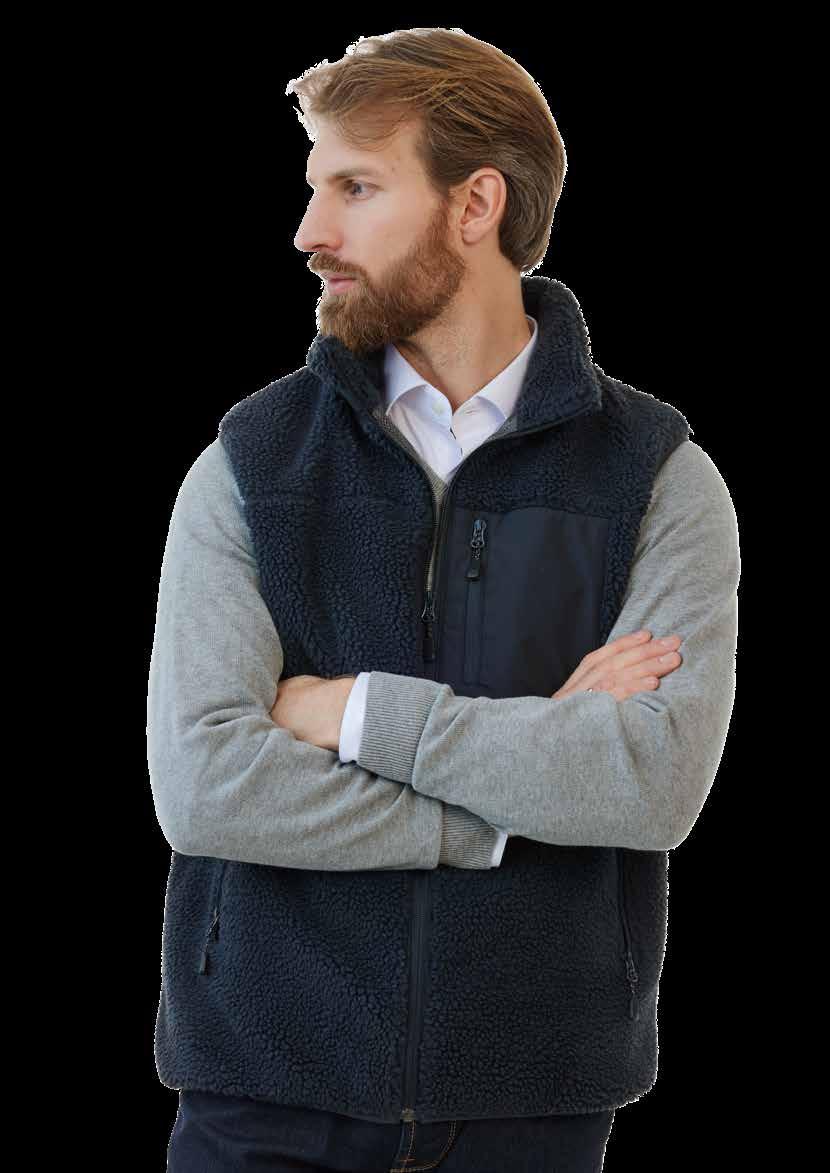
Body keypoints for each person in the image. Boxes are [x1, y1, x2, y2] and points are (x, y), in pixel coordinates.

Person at [149, 27, 740, 1173]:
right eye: (314, 186)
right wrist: (513, 798)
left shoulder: (656, 478)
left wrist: (352, 713)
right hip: (262, 1096)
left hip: (532, 1101)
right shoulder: (250, 464)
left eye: (356, 188)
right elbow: (208, 784)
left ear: (475, 205)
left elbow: (648, 781)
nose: (308, 232)